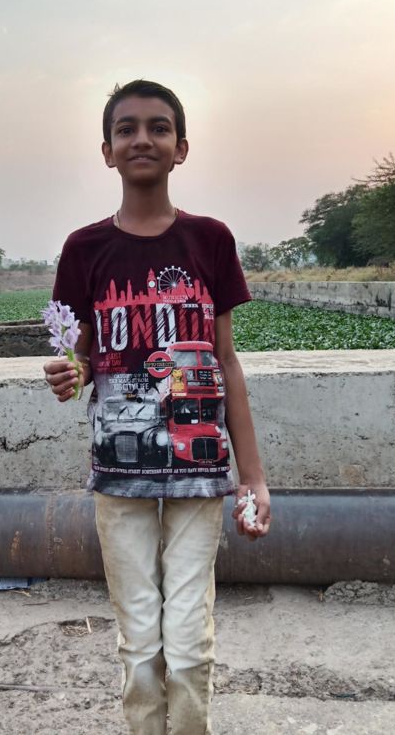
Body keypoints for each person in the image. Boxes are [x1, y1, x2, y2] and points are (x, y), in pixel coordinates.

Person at [44, 79, 271, 735]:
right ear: (107, 151)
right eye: (126, 129)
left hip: (199, 471)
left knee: (190, 642)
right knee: (140, 644)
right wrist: (69, 372)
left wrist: (253, 477)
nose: (142, 138)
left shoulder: (210, 240)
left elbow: (226, 361)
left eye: (158, 127)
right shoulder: (83, 249)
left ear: (181, 147)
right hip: (120, 477)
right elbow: (81, 355)